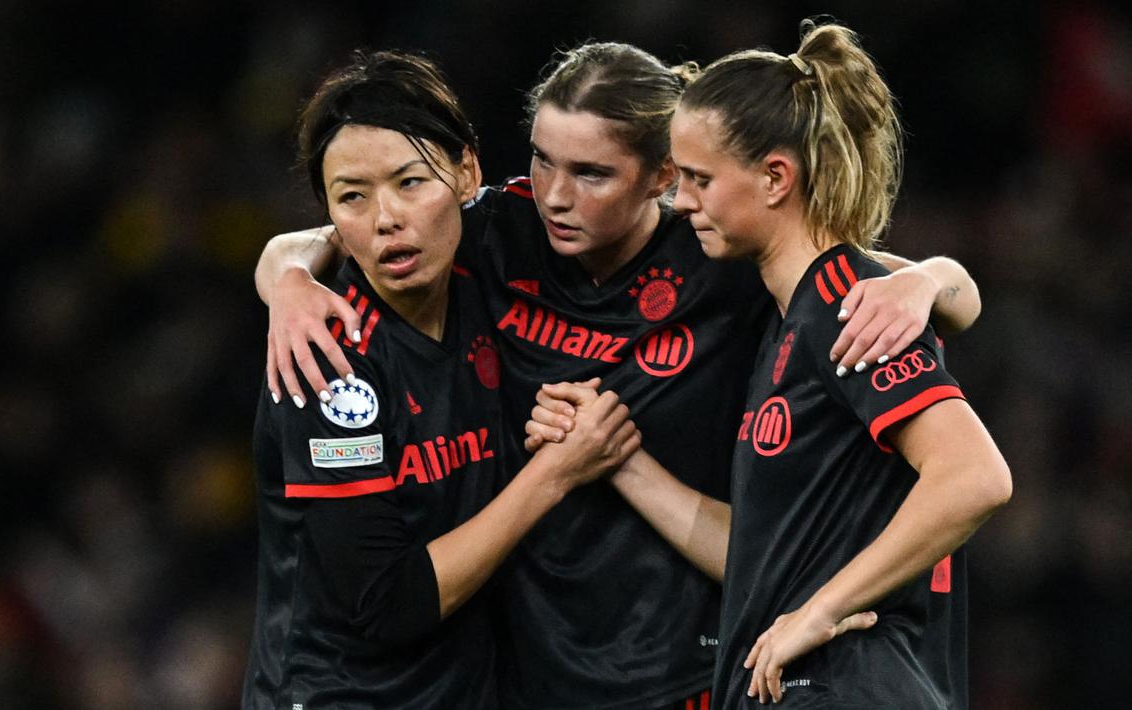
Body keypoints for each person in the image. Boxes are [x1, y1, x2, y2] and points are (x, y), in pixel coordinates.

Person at [255, 42, 983, 709]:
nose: (555, 195)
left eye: (591, 172)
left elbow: (888, 286)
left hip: (689, 664)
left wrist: (931, 280)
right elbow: (373, 212)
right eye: (541, 161)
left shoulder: (719, 256)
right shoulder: (497, 236)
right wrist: (286, 274)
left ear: (663, 176)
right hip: (533, 670)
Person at [531, 19, 1012, 709]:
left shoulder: (842, 303)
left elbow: (973, 478)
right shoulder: (789, 321)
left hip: (847, 683)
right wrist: (617, 458)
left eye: (698, 178)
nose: (681, 200)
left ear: (775, 177)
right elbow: (767, 556)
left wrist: (818, 611)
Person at [243, 49, 640, 709]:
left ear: (465, 173)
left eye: (409, 182)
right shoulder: (326, 360)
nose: (385, 218)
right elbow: (383, 605)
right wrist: (555, 474)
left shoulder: (488, 255)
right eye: (352, 197)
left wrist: (874, 282)